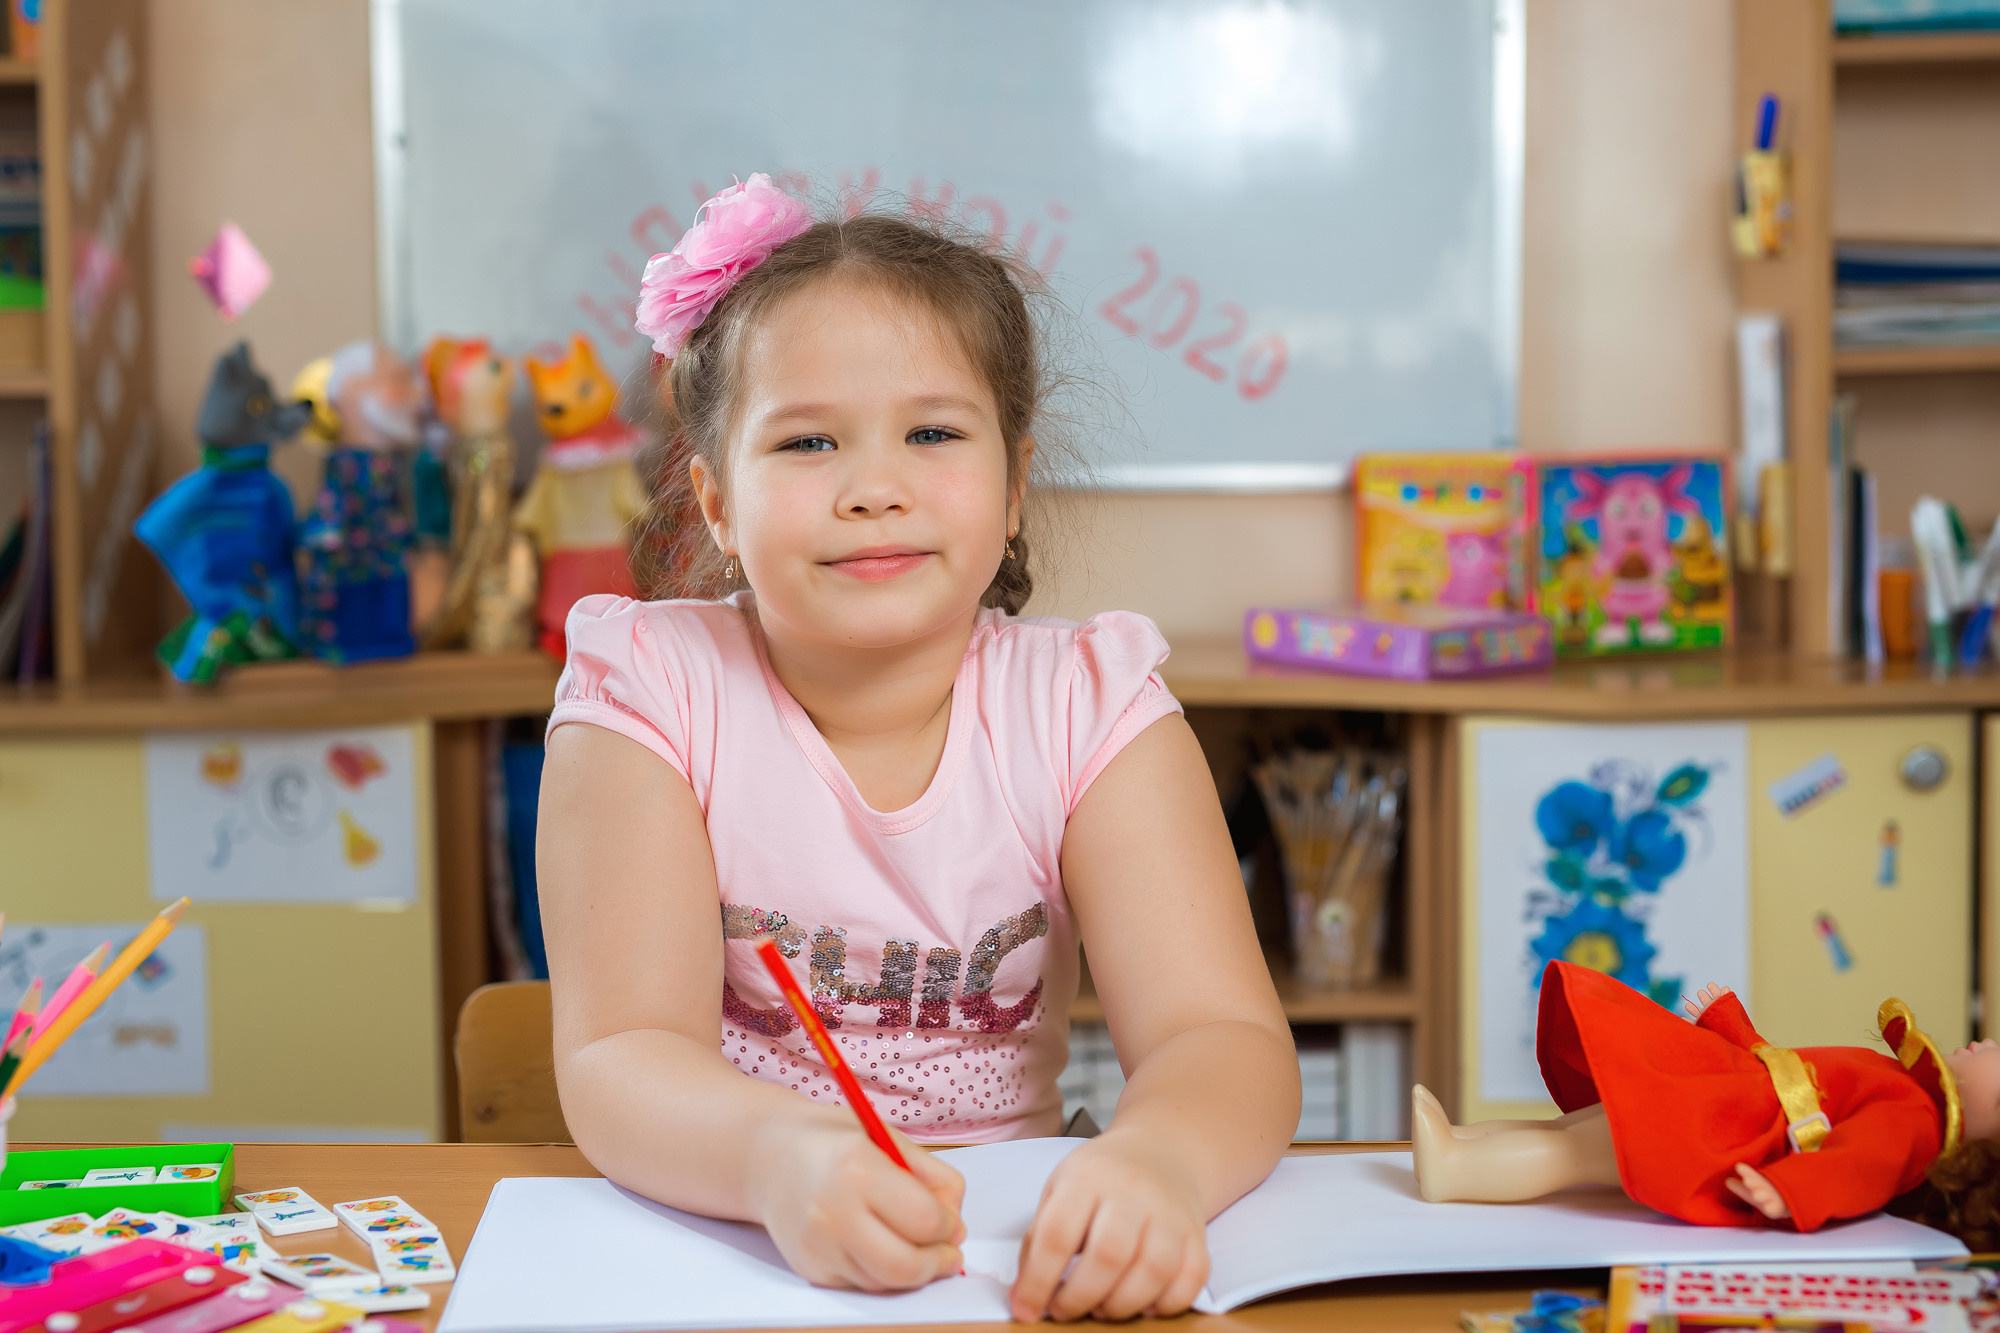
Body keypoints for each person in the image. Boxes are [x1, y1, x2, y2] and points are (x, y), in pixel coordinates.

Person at [537, 175, 1299, 1322]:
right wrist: (778, 1159)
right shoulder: (647, 690)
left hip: (1002, 1267)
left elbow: (1220, 1036)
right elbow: (621, 1053)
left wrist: (1161, 1164)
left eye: (932, 432)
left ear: (1012, 485)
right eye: (805, 442)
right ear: (715, 503)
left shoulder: (1089, 706)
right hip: (736, 1245)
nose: (873, 488)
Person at [1412, 959, 2000, 1247]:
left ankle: (1457, 1168)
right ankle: (1466, 1140)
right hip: (1728, 1097)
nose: (1988, 1043)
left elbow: (1856, 1167)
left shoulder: (1912, 1122)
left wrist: (1791, 1191)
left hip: (1722, 1133)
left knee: (1582, 1149)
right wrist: (1731, 1025)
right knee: (1584, 1126)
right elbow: (1794, 1078)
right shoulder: (1905, 1089)